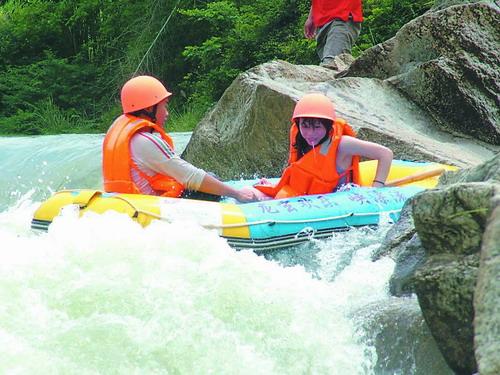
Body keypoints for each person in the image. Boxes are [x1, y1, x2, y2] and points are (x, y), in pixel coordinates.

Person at [102, 75, 258, 202]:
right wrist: (237, 194)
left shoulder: (118, 136)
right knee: (211, 179)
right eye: (164, 105)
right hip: (152, 212)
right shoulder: (145, 142)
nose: (167, 113)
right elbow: (192, 177)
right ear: (149, 108)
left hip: (128, 205)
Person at [253, 93, 393, 200]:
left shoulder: (343, 144)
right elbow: (300, 174)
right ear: (298, 124)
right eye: (305, 126)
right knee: (251, 194)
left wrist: (376, 189)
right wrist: (277, 185)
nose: (310, 133)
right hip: (308, 198)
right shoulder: (301, 140)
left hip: (339, 202)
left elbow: (386, 154)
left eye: (317, 127)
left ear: (328, 126)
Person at [304, 0, 363, 66]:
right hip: (321, 22)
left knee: (332, 64)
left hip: (342, 17)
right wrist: (311, 16)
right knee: (329, 67)